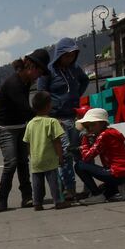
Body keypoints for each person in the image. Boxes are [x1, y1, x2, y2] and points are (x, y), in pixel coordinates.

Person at [0, 49, 50, 211]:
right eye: (39, 72)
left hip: (20, 125)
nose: (39, 77)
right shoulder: (14, 84)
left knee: (23, 163)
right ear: (31, 67)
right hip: (6, 128)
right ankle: (1, 200)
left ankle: (27, 197)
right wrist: (46, 119)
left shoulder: (26, 82)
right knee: (11, 163)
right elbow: (26, 109)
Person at [38, 37, 90, 200]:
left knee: (83, 150)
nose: (70, 58)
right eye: (67, 55)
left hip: (74, 116)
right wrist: (49, 112)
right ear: (59, 54)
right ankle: (69, 189)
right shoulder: (48, 72)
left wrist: (75, 96)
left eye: (73, 55)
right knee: (65, 154)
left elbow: (85, 80)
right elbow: (41, 94)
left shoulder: (75, 69)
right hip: (57, 119)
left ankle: (89, 186)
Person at [73, 109, 125, 204]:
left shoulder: (104, 135)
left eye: (93, 124)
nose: (89, 128)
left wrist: (84, 141)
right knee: (104, 191)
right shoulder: (112, 132)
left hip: (117, 173)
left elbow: (87, 156)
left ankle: (96, 195)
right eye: (87, 126)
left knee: (79, 166)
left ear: (102, 123)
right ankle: (121, 189)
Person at [23, 91, 73, 211]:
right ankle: (59, 201)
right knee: (55, 182)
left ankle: (37, 203)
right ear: (48, 106)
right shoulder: (52, 122)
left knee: (37, 183)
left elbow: (27, 142)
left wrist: (31, 156)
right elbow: (57, 142)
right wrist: (60, 156)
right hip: (50, 159)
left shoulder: (30, 124)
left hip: (36, 160)